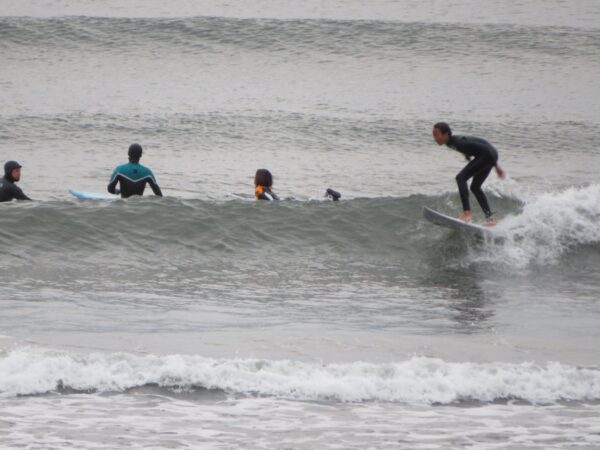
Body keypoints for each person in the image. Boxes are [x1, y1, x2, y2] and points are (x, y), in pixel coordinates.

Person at [432, 122, 505, 226]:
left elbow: (485, 149)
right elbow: (471, 147)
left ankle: (467, 214)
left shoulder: (459, 142)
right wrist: (467, 155)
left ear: (446, 134)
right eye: (433, 135)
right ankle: (490, 219)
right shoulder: (450, 142)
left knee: (460, 178)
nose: (435, 138)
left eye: (436, 134)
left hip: (488, 154)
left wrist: (496, 166)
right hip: (488, 154)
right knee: (475, 187)